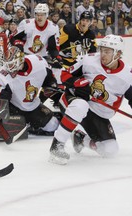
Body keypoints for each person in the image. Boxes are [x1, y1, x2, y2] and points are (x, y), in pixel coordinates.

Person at [49, 34, 132, 165]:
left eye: (107, 52)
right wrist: (78, 82)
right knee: (80, 105)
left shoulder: (128, 76)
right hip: (72, 102)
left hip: (98, 114)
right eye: (102, 50)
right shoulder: (88, 60)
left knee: (110, 150)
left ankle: (80, 139)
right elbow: (64, 75)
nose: (102, 54)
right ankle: (57, 145)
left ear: (118, 54)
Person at [11, 3, 61, 69]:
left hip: (42, 58)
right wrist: (19, 45)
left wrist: (56, 58)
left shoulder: (53, 28)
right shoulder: (26, 24)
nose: (39, 17)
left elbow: (53, 48)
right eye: (37, 15)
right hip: (25, 56)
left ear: (47, 15)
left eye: (42, 15)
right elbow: (12, 37)